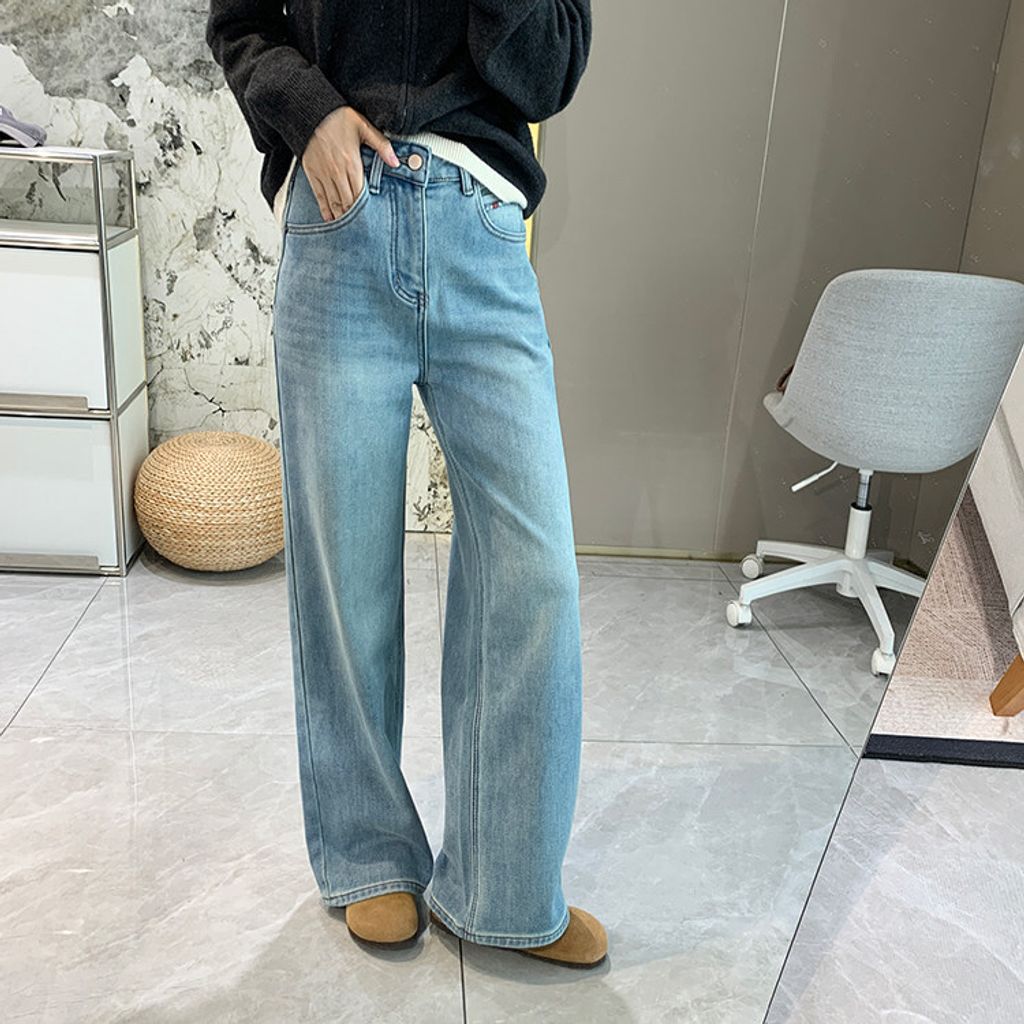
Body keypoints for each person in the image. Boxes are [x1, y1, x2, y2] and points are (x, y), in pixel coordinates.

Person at [205, 0, 606, 969]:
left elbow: (548, 69)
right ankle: (370, 855)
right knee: (345, 573)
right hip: (340, 222)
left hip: (481, 223)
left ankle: (506, 883)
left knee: (535, 574)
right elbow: (241, 23)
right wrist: (308, 113)